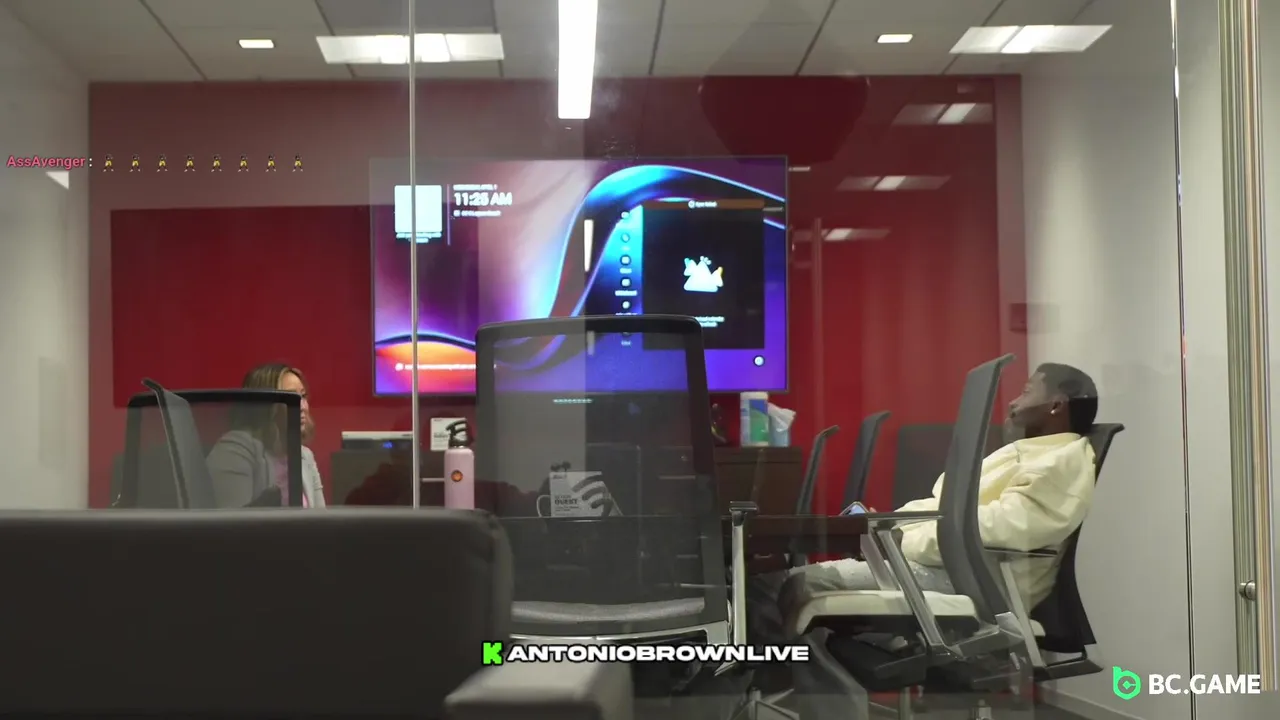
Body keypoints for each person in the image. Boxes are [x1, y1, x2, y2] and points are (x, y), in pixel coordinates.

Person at [751, 362, 1099, 643]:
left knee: (795, 583)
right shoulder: (1028, 453)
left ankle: (782, 685)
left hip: (977, 581)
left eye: (1026, 392)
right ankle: (808, 691)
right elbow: (945, 509)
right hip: (952, 569)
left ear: (1056, 405)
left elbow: (1007, 526)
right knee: (783, 583)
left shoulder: (1063, 459)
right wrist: (888, 523)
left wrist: (902, 541)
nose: (1012, 402)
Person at [206, 363, 326, 508]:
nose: (303, 407)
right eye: (291, 398)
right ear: (266, 405)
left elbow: (321, 517)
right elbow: (233, 520)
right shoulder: (234, 449)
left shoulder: (305, 456)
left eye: (303, 396)